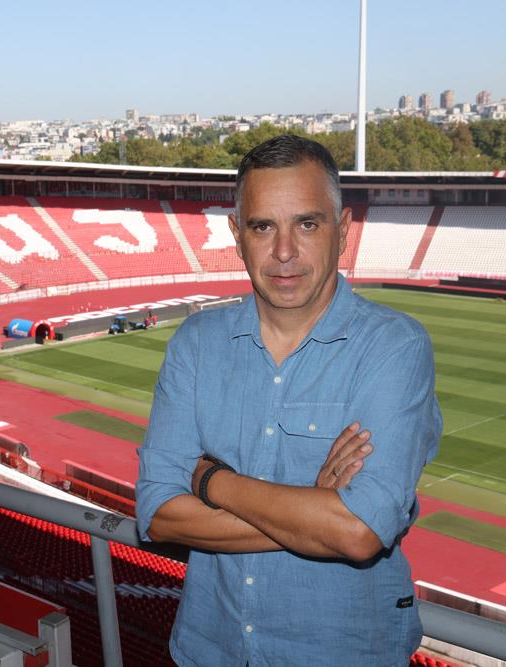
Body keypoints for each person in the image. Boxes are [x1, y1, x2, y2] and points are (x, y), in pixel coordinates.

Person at [136, 134, 442, 666]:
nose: (283, 252)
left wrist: (212, 481)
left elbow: (358, 532)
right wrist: (312, 512)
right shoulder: (196, 344)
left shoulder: (394, 346)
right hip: (210, 652)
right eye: (262, 227)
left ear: (343, 230)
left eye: (307, 224)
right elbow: (160, 516)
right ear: (237, 235)